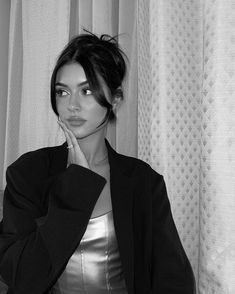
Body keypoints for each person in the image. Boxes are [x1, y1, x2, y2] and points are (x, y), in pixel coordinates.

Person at [0, 32, 195, 294]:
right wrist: (77, 185)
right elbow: (22, 276)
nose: (72, 105)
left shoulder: (142, 182)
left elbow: (173, 279)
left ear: (115, 98)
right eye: (62, 92)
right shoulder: (28, 173)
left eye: (87, 90)